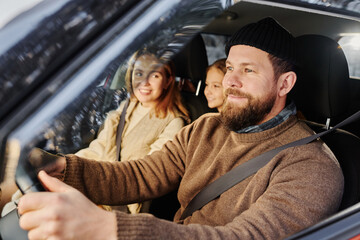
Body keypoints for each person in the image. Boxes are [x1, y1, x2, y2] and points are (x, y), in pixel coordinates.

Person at [17, 17, 344, 240]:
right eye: (229, 67)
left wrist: (110, 227)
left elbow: (242, 238)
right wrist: (62, 168)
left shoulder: (311, 165)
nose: (230, 81)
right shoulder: (206, 128)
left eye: (248, 71)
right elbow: (139, 176)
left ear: (285, 83)